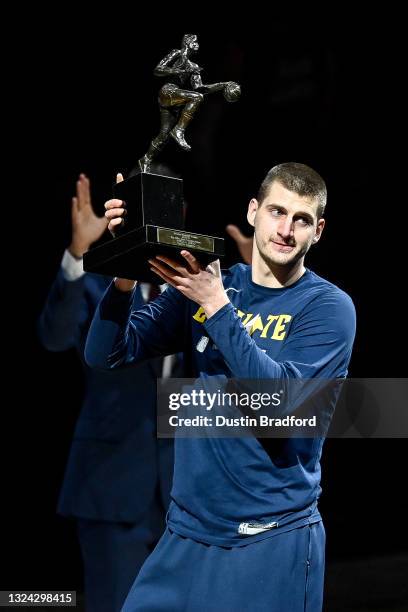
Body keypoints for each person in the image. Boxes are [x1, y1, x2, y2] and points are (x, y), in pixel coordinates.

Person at [85, 162, 356, 611]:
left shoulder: (328, 308)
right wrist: (126, 264)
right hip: (186, 537)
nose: (286, 230)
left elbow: (279, 406)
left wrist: (216, 305)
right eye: (276, 211)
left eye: (301, 219)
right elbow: (107, 353)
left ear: (318, 231)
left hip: (269, 540)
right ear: (253, 212)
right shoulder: (215, 284)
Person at [38, 173, 178, 612]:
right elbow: (55, 336)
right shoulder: (99, 285)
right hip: (113, 489)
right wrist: (78, 255)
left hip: (183, 499)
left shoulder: (199, 293)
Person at [139, 34, 240, 172]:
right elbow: (158, 69)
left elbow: (201, 88)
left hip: (173, 100)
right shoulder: (177, 53)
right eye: (195, 41)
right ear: (187, 42)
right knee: (196, 97)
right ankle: (179, 130)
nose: (197, 44)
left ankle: (146, 159)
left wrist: (222, 84)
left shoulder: (194, 66)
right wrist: (181, 70)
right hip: (167, 91)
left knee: (164, 135)